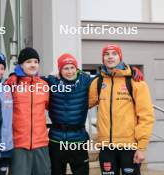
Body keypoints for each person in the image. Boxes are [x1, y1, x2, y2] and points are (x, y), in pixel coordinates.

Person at [88, 44, 154, 175]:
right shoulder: (98, 82)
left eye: (114, 53)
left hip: (129, 146)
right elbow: (85, 102)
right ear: (103, 59)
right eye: (107, 54)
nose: (110, 57)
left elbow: (146, 116)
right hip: (106, 146)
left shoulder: (135, 82)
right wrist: (61, 78)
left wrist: (141, 147)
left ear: (120, 57)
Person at [5, 47, 51, 175]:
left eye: (36, 62)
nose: (33, 65)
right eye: (29, 62)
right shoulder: (11, 84)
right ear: (21, 64)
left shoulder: (44, 85)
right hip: (19, 144)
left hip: (41, 143)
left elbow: (50, 106)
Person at [43, 53, 90, 175]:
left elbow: (106, 77)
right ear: (60, 70)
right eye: (65, 68)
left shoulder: (85, 80)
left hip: (78, 141)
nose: (70, 71)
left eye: (72, 67)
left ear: (76, 68)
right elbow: (30, 78)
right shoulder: (52, 81)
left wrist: (131, 71)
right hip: (56, 141)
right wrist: (13, 76)